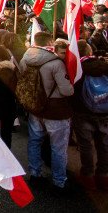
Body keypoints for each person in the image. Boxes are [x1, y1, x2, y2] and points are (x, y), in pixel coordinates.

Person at [19, 30, 74, 192]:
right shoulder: (56, 63)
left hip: (35, 106)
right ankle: (59, 181)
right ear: (50, 42)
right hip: (55, 109)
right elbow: (67, 91)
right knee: (58, 147)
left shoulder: (26, 58)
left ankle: (35, 174)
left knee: (35, 141)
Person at [72, 39, 108, 191]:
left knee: (86, 145)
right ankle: (104, 175)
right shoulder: (104, 66)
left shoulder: (76, 69)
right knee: (104, 145)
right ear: (90, 52)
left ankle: (88, 176)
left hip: (82, 112)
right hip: (104, 111)